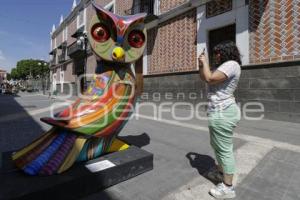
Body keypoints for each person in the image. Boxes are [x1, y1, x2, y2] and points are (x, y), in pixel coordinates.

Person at [198, 41, 242, 199]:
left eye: (218, 52)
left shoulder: (231, 64)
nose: (216, 55)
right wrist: (200, 64)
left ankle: (228, 188)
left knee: (224, 150)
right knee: (216, 146)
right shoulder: (222, 67)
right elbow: (204, 77)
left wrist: (206, 63)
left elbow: (209, 78)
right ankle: (222, 174)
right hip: (217, 112)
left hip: (224, 112)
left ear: (226, 52)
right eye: (214, 52)